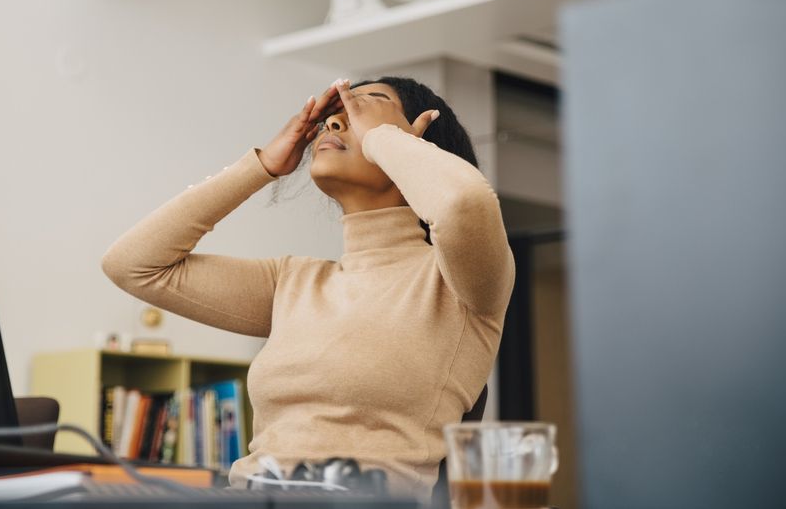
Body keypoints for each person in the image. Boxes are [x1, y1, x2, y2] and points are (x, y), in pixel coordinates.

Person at [102, 77, 515, 497]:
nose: (335, 122)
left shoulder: (459, 282)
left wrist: (384, 139)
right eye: (333, 115)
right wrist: (260, 166)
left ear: (417, 140)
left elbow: (464, 203)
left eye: (364, 108)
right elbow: (133, 265)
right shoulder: (292, 282)